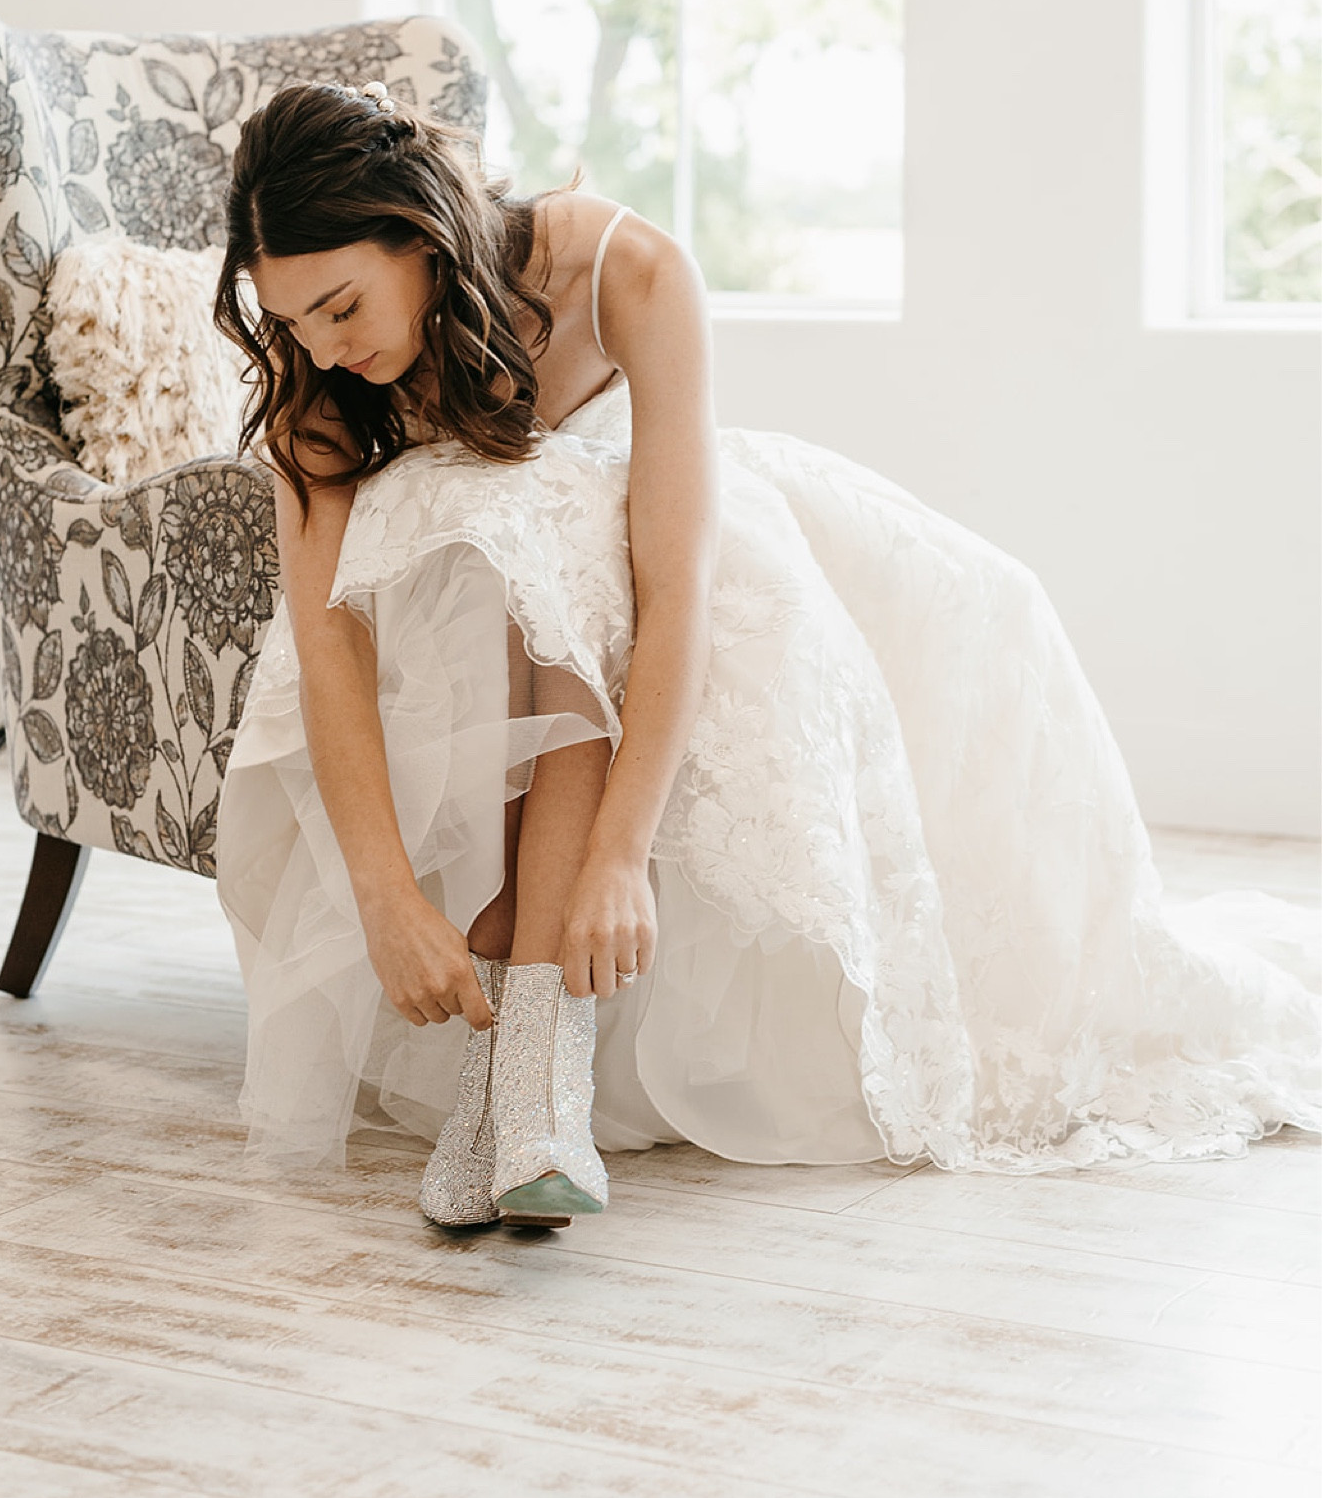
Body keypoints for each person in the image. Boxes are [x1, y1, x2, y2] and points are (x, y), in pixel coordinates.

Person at [214, 79, 1320, 1229]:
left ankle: (529, 1071)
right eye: (292, 323)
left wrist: (619, 857)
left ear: (423, 232)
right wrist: (386, 895)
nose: (323, 346)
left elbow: (671, 584)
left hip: (645, 580)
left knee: (560, 535)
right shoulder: (320, 386)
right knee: (517, 538)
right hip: (450, 637)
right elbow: (326, 646)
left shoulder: (627, 269)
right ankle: (521, 1081)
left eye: (339, 306)